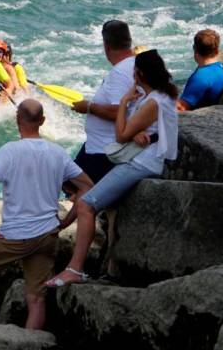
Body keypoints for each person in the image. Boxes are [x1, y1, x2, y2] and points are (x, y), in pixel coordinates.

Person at [0, 99, 93, 350]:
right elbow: (87, 187)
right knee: (36, 298)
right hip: (47, 235)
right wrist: (67, 220)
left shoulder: (10, 151)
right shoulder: (57, 152)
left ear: (17, 121)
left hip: (14, 237)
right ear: (43, 121)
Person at [47, 49, 179, 287]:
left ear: (138, 74)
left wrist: (125, 104)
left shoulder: (151, 102)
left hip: (141, 163)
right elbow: (149, 128)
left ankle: (74, 269)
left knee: (87, 204)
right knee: (104, 203)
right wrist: (140, 131)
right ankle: (109, 267)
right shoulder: (163, 95)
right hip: (151, 158)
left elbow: (120, 136)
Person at [69, 20, 136, 184]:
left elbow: (117, 111)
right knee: (70, 182)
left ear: (106, 46)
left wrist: (88, 107)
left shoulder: (120, 72)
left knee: (75, 185)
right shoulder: (134, 64)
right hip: (100, 146)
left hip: (105, 150)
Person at [177, 29, 223, 111]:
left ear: (195, 49)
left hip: (203, 120)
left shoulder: (200, 77)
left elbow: (181, 108)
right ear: (217, 50)